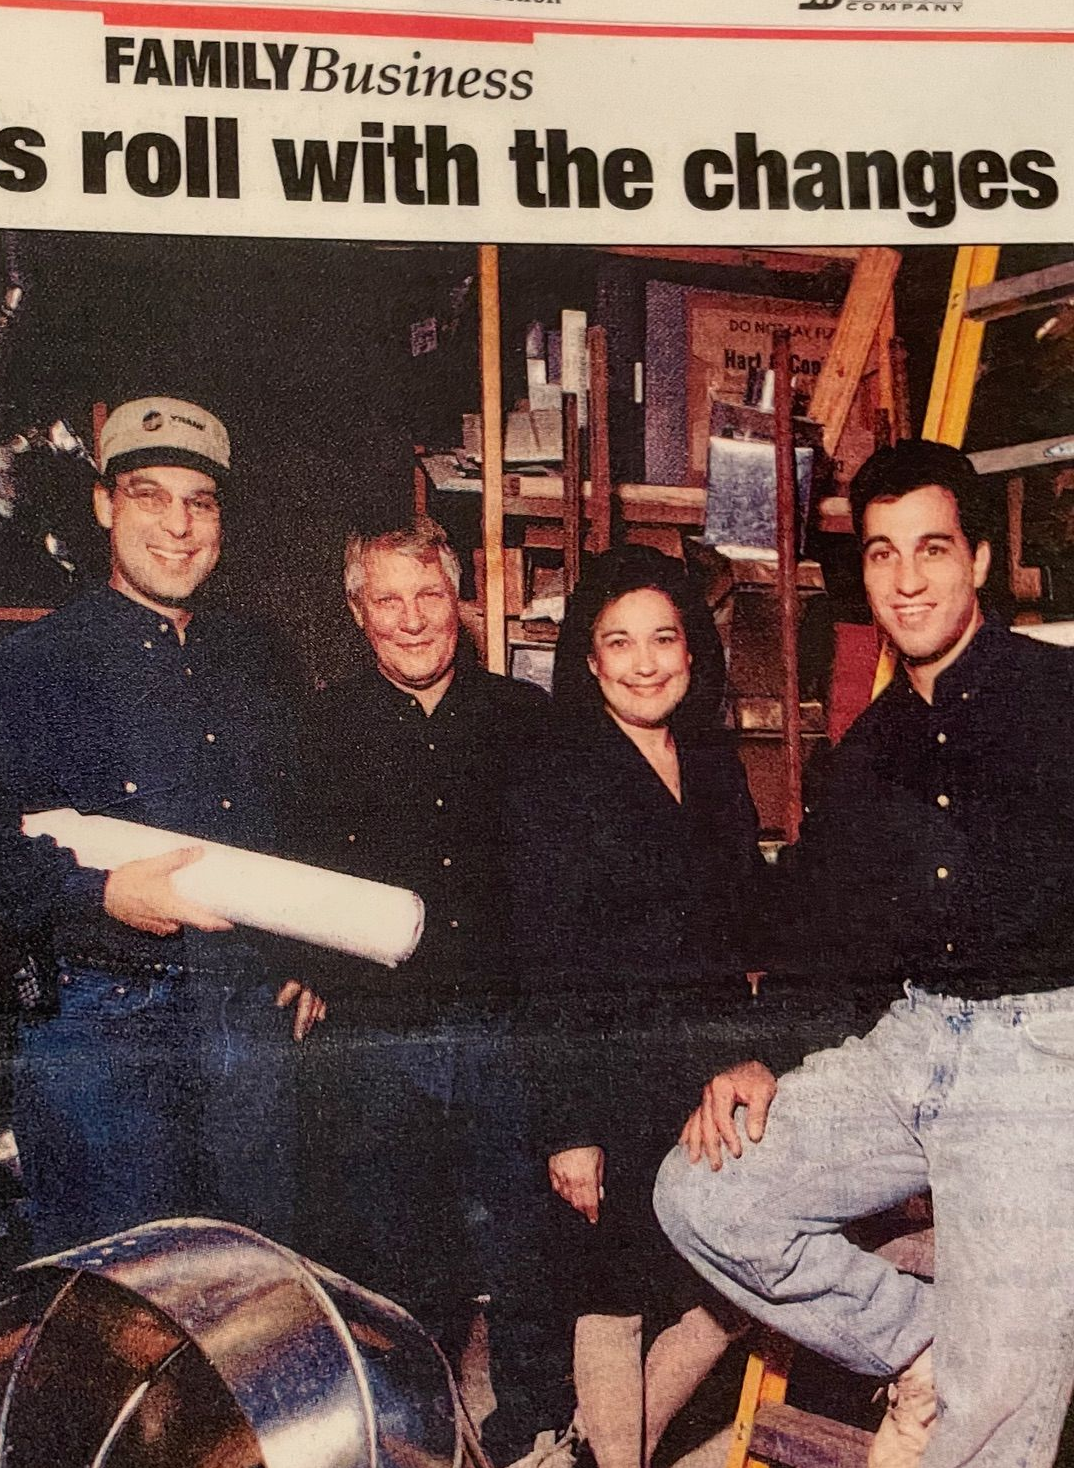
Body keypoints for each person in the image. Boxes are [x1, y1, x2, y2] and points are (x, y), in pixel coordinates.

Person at [654, 439, 1074, 1468]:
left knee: (992, 1416)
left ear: (977, 558)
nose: (908, 576)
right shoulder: (869, 744)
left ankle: (978, 1365)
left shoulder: (1062, 696)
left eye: (932, 547)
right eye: (883, 553)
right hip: (910, 1035)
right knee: (704, 1192)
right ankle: (923, 1343)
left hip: (1041, 1053)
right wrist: (764, 1049)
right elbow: (823, 927)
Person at [0, 395, 314, 1257]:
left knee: (253, 1292)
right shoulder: (27, 666)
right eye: (147, 495)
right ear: (103, 505)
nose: (177, 525)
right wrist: (101, 893)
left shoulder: (259, 661)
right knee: (129, 1305)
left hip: (245, 1024)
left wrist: (311, 957)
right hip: (102, 1026)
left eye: (199, 502)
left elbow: (304, 823)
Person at [508, 546, 761, 1468]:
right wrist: (571, 1128)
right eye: (620, 642)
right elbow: (543, 964)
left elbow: (740, 935)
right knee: (611, 1297)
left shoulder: (715, 766)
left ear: (693, 652)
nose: (645, 661)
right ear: (588, 659)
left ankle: (599, 1453)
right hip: (602, 1078)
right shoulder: (556, 774)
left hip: (703, 1077)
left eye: (664, 638)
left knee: (734, 1277)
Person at [294, 515, 551, 1416]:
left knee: (525, 1244)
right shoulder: (318, 729)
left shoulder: (528, 722)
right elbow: (284, 865)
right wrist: (296, 962)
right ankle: (408, 1427)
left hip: (501, 1029)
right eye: (388, 601)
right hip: (376, 1032)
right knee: (393, 1254)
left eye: (429, 596)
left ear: (461, 602)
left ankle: (533, 1423)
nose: (412, 621)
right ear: (358, 614)